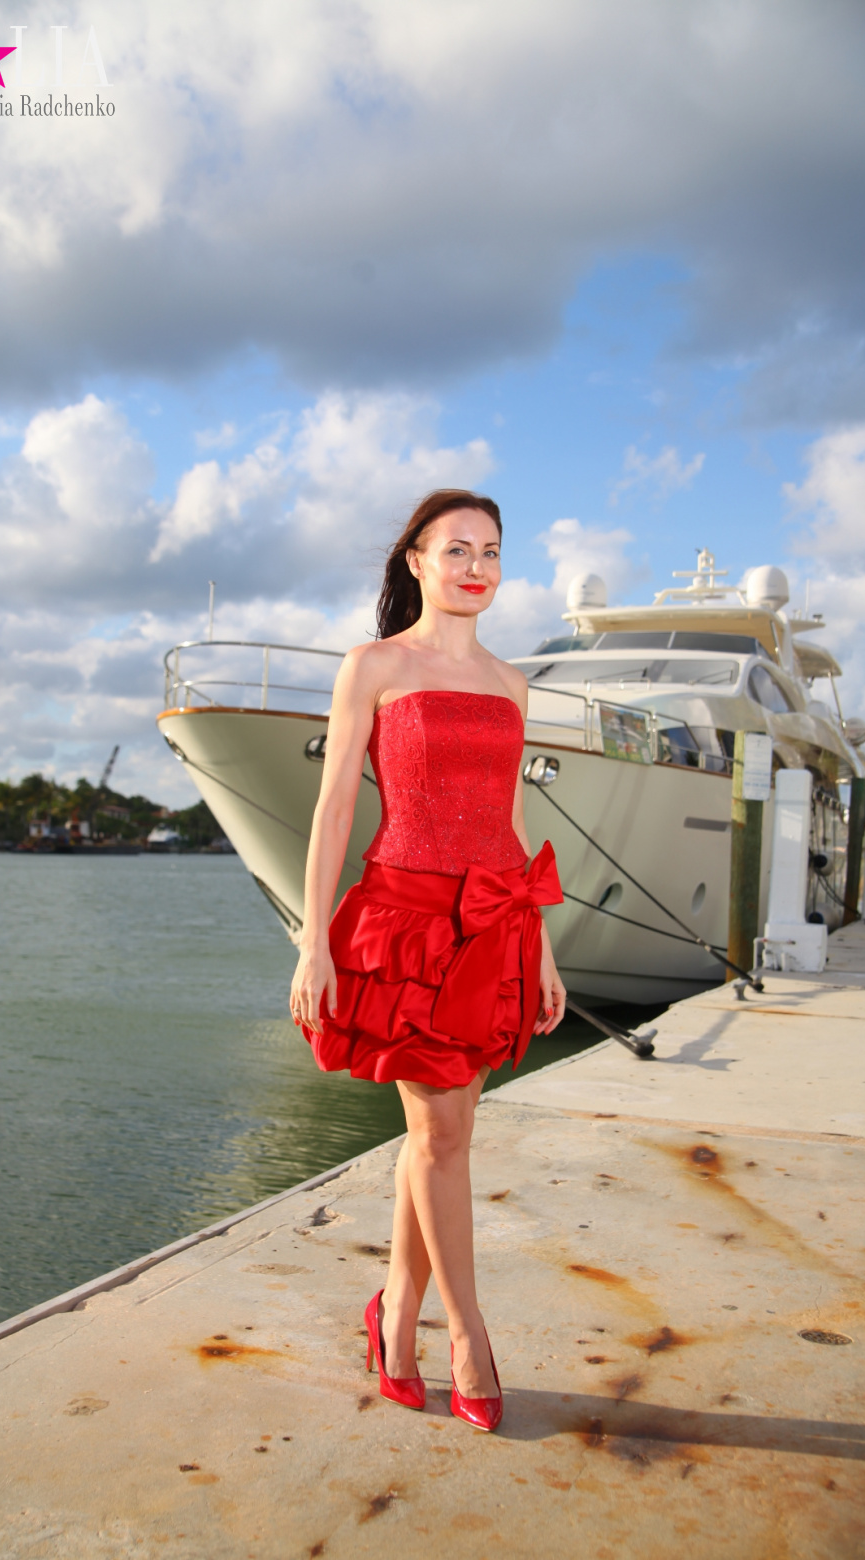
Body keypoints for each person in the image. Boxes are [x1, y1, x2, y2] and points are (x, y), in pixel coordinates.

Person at [289, 488, 567, 1431]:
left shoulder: (512, 683)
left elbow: (512, 819)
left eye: (492, 550)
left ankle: (395, 1314)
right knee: (444, 1138)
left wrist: (547, 949)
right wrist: (314, 940)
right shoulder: (372, 666)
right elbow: (334, 811)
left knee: (438, 1140)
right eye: (457, 549)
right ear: (416, 559)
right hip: (406, 924)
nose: (476, 567)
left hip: (495, 926)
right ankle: (468, 1336)